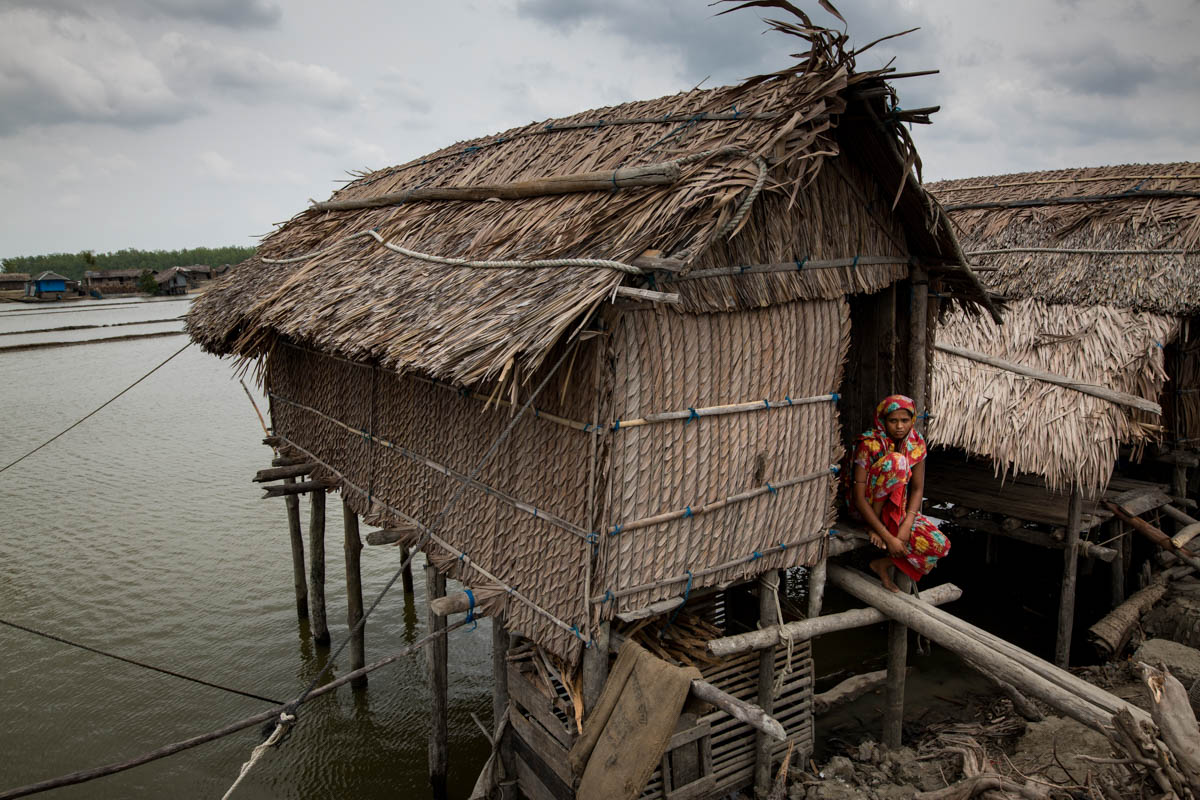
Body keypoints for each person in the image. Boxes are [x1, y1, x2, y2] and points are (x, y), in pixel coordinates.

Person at [849, 395, 950, 592]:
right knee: (897, 462)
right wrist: (885, 536)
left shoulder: (916, 444)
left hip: (897, 510)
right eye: (893, 421)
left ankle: (882, 564)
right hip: (866, 511)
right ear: (883, 420)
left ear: (912, 420)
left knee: (941, 545)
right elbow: (859, 498)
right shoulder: (868, 444)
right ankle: (875, 527)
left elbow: (918, 488)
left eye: (904, 421)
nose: (899, 426)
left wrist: (907, 525)